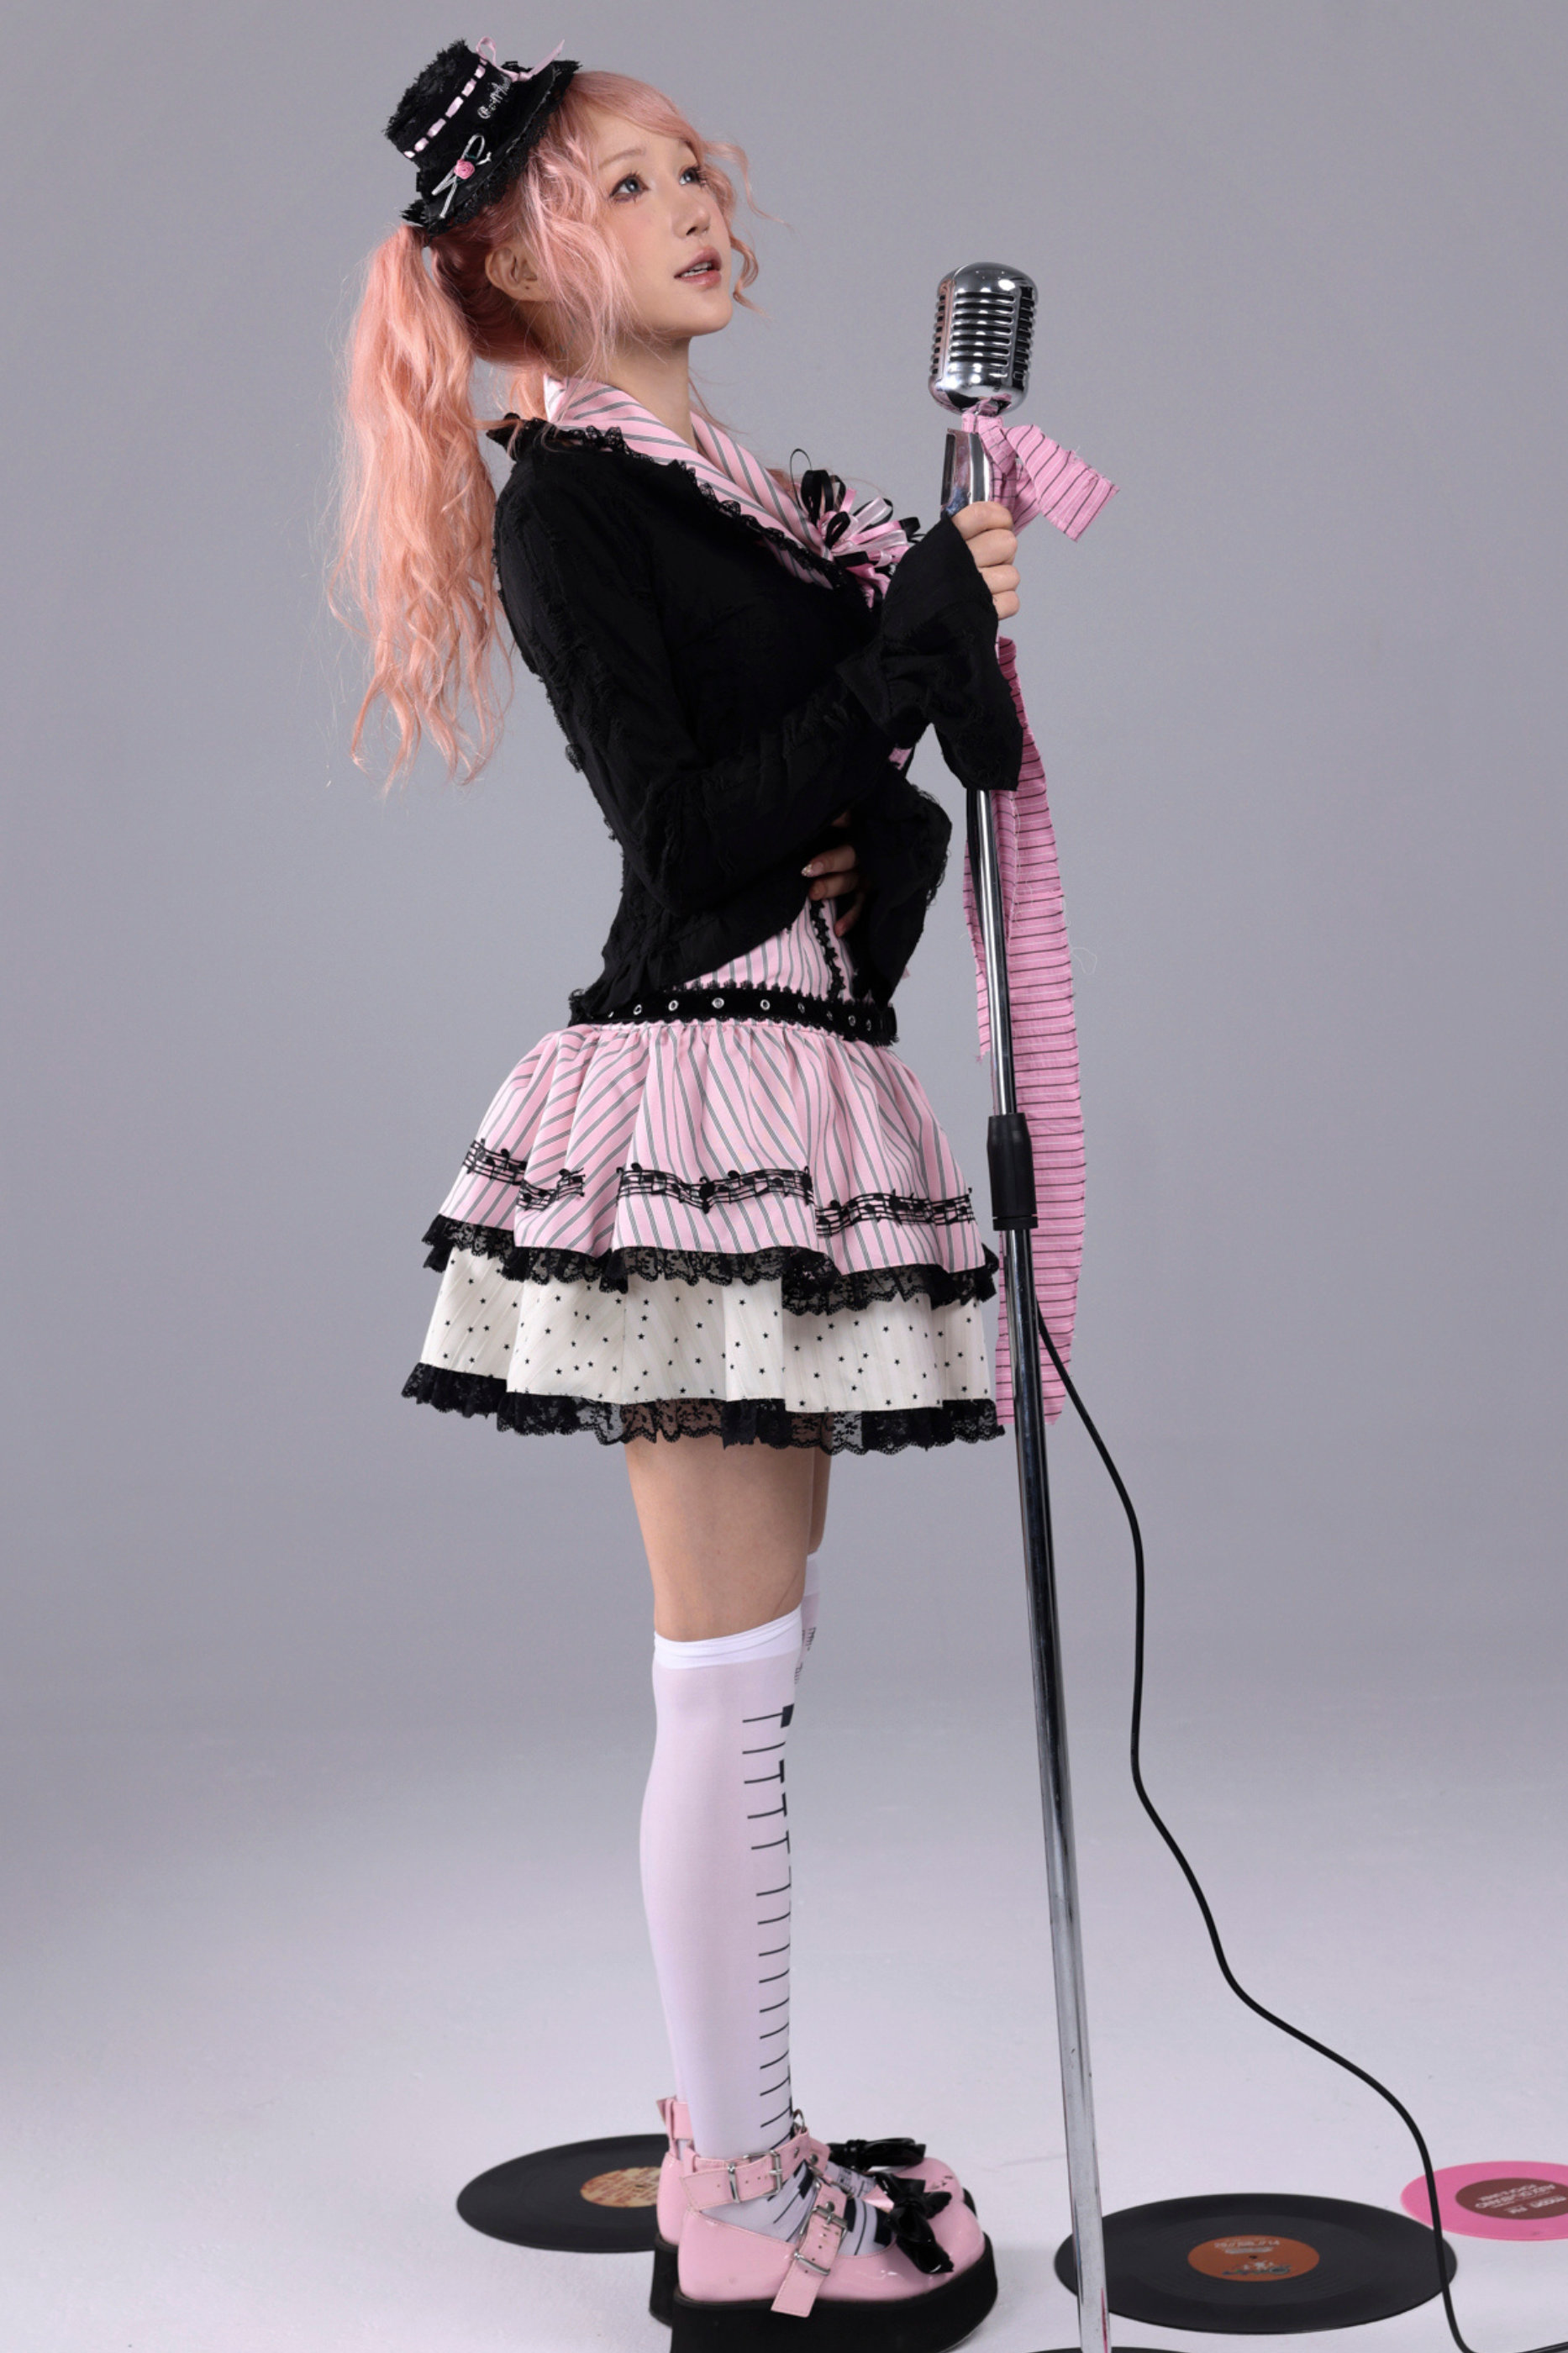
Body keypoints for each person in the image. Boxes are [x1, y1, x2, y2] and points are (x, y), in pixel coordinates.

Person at [335, 38, 1028, 2347]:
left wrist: (923, 667)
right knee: (728, 1681)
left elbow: (868, 820)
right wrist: (897, 669)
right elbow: (690, 831)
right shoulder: (574, 505)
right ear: (534, 257)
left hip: (798, 1072)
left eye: (696, 167)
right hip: (700, 1105)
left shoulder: (753, 499)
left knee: (762, 1662)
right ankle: (736, 2199)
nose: (699, 203)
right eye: (631, 185)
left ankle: (762, 2133)